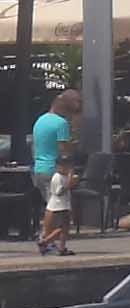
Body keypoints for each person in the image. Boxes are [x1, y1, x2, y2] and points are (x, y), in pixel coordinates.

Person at [28, 87, 70, 253]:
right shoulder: (61, 123)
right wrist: (69, 170)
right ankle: (46, 240)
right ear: (57, 103)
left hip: (39, 168)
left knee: (51, 205)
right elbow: (63, 150)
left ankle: (50, 240)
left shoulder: (40, 121)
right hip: (55, 170)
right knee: (58, 209)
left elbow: (35, 145)